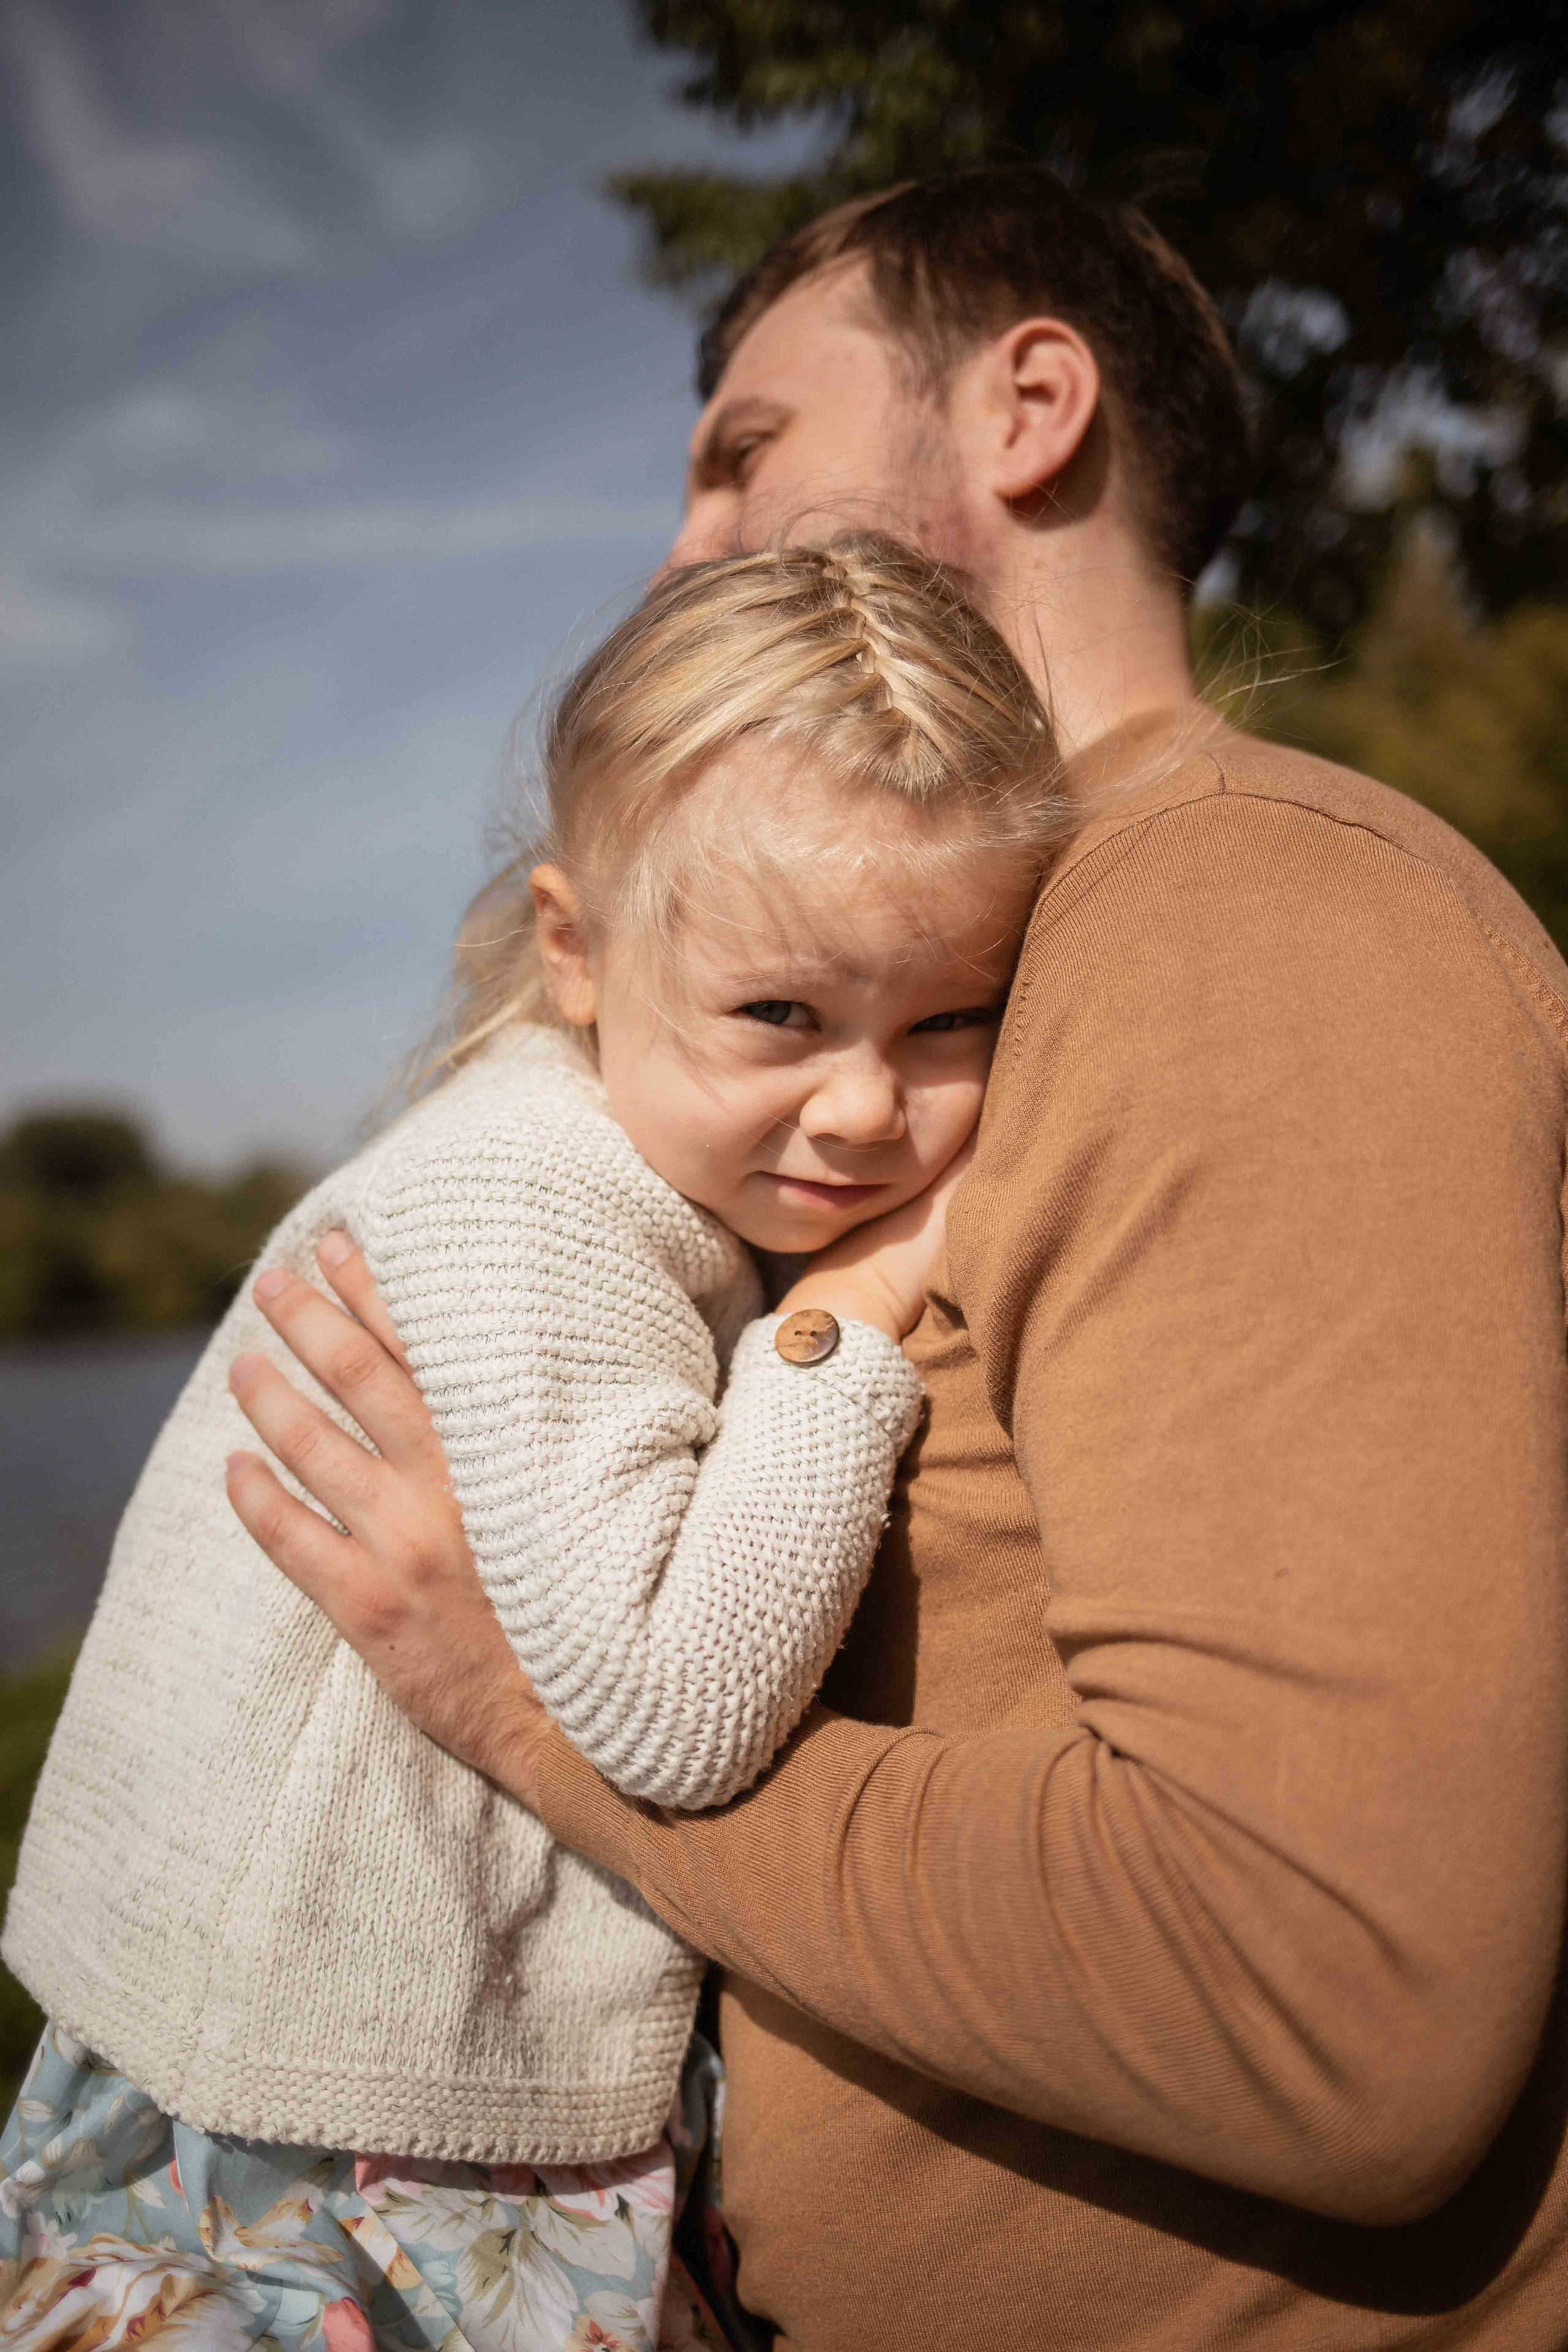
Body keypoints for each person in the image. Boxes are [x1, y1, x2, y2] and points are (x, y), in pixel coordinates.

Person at [220, 167, 1568, 2348]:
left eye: (746, 449)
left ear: (1031, 405)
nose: (680, 545)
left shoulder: (1245, 925)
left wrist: (523, 1705)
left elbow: (1334, 2005)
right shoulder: (1008, 971)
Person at [0, 536, 1070, 2351]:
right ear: (578, 950)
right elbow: (670, 1709)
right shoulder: (540, 1200)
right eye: (782, 1017)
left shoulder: (598, 1155)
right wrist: (857, 1318)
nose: (869, 1105)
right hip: (337, 2149)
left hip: (317, 2075)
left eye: (950, 1018)